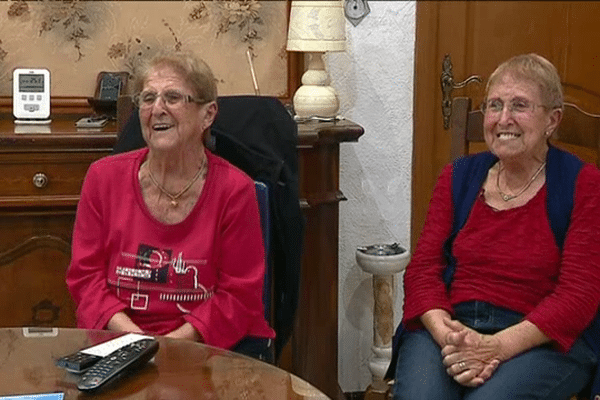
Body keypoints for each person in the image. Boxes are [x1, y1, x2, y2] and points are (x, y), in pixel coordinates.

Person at [390, 53, 600, 399]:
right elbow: (423, 270)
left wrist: (496, 346)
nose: (504, 118)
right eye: (494, 105)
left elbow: (579, 295)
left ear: (552, 120)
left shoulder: (583, 183)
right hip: (451, 326)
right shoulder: (458, 177)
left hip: (541, 338)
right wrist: (451, 338)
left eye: (520, 105)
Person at [66, 51, 275, 362]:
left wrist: (168, 346)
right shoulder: (103, 178)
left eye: (173, 97)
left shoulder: (235, 190)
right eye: (148, 98)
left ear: (208, 114)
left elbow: (238, 298)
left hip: (209, 351)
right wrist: (137, 340)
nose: (157, 109)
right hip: (118, 343)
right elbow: (86, 280)